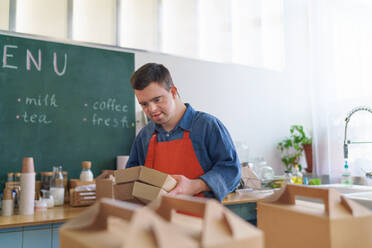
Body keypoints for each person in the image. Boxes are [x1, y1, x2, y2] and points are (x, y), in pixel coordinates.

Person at [126, 63, 241, 202]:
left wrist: (195, 186)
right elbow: (131, 178)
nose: (152, 109)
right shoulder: (145, 135)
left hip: (200, 221)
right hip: (157, 221)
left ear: (173, 92)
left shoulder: (207, 126)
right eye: (144, 104)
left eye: (157, 100)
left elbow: (231, 172)